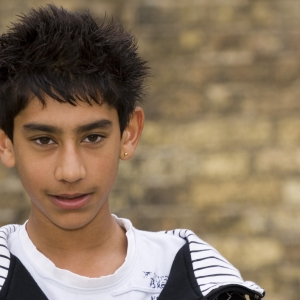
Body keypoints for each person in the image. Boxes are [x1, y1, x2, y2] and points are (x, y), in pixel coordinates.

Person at [0, 4, 265, 300]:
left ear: (129, 134)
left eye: (93, 137)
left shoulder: (198, 278)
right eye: (44, 140)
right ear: (6, 143)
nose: (71, 172)